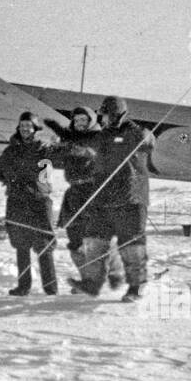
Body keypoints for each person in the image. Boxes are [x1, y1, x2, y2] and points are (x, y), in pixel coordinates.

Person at [71, 96, 155, 300]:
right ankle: (92, 281)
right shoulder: (104, 135)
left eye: (106, 115)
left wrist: (148, 137)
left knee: (131, 244)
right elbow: (88, 145)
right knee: (95, 239)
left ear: (117, 114)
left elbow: (150, 141)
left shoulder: (135, 132)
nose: (102, 119)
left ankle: (137, 287)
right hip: (105, 198)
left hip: (130, 198)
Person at [0, 111, 58, 295]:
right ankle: (24, 286)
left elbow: (45, 175)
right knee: (21, 244)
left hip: (38, 201)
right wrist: (12, 179)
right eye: (23, 126)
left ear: (35, 129)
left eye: (29, 126)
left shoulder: (43, 149)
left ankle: (51, 288)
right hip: (17, 201)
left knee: (43, 244)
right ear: (19, 128)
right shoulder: (10, 150)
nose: (25, 129)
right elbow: (0, 172)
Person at [43, 106, 100, 272]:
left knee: (91, 236)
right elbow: (57, 155)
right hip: (74, 191)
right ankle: (86, 276)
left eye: (83, 120)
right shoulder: (70, 137)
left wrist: (80, 150)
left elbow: (96, 153)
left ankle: (99, 275)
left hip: (93, 190)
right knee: (74, 237)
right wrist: (53, 147)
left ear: (91, 121)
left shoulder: (98, 136)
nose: (79, 123)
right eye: (76, 120)